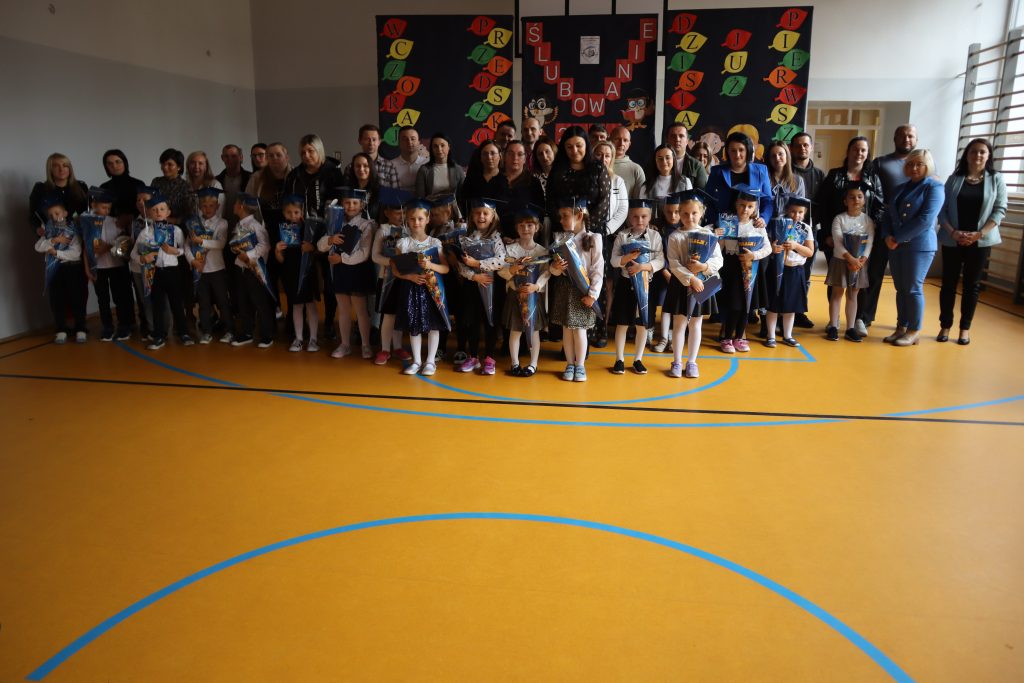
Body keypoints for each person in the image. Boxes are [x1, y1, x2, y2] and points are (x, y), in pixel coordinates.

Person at [545, 126, 611, 346]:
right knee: (565, 281)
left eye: (579, 145)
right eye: (569, 146)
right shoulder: (558, 170)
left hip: (589, 234)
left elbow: (603, 202)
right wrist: (565, 227)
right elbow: (550, 201)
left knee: (591, 278)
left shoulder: (597, 168)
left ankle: (591, 335)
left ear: (587, 146)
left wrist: (585, 227)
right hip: (563, 233)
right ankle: (565, 336)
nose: (575, 150)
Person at [937, 138, 1007, 345]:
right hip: (953, 239)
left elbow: (1000, 209)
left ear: (988, 155)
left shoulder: (996, 179)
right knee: (948, 284)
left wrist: (979, 234)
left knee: (972, 286)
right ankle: (945, 326)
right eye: (973, 151)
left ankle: (964, 329)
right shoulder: (954, 179)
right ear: (966, 155)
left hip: (980, 241)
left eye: (982, 152)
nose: (978, 155)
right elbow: (942, 209)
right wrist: (952, 232)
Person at [814, 136, 884, 324]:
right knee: (837, 281)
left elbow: (880, 207)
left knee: (858, 281)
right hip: (836, 237)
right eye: (855, 149)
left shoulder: (873, 178)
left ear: (867, 153)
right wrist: (827, 234)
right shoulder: (834, 175)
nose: (859, 153)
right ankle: (834, 321)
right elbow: (822, 206)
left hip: (862, 240)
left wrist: (870, 230)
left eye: (863, 150)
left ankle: (858, 320)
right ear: (848, 151)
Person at [880, 149, 943, 347]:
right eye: (910, 164)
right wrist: (887, 236)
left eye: (919, 164)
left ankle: (914, 331)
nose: (914, 168)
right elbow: (888, 214)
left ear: (927, 166)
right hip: (895, 244)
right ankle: (901, 327)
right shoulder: (900, 188)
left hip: (919, 246)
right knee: (900, 289)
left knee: (913, 289)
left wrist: (898, 238)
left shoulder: (934, 187)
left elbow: (925, 220)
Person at [858, 126, 916, 335]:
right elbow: (871, 194)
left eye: (910, 136)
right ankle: (865, 317)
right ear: (894, 138)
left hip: (912, 231)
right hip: (885, 228)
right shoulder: (881, 163)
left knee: (908, 281)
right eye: (902, 135)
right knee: (874, 274)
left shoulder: (922, 163)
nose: (906, 139)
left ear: (916, 139)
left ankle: (906, 322)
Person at [284, 134, 344, 338]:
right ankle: (297, 322)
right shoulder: (294, 176)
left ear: (319, 151)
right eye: (303, 152)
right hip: (301, 233)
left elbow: (340, 203)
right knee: (300, 277)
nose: (307, 155)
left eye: (311, 151)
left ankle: (329, 322)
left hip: (327, 233)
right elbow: (287, 202)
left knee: (329, 281)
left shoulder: (333, 173)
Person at [664, 189, 722, 378]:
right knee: (679, 324)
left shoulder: (708, 234)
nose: (690, 217)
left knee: (696, 324)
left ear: (702, 212)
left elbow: (718, 260)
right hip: (682, 284)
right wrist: (691, 279)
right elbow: (673, 263)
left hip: (702, 284)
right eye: (685, 213)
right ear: (679, 214)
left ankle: (692, 362)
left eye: (694, 213)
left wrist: (704, 267)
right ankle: (677, 362)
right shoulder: (675, 236)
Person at [548, 197, 603, 382]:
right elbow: (554, 271)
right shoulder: (561, 240)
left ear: (579, 216)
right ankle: (569, 363)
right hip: (565, 289)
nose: (561, 220)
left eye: (565, 216)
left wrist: (592, 294)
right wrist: (556, 267)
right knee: (566, 330)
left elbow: (597, 269)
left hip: (583, 292)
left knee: (579, 330)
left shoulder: (594, 238)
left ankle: (580, 365)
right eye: (560, 217)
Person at [393, 199, 449, 375]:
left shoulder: (435, 243)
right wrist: (408, 276)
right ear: (407, 220)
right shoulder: (403, 243)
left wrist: (430, 265)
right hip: (411, 289)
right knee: (414, 325)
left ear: (427, 219)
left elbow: (445, 268)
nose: (416, 222)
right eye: (412, 219)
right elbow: (395, 269)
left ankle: (430, 361)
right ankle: (417, 361)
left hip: (432, 289)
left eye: (420, 218)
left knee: (434, 325)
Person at [319, 188, 376, 359]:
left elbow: (364, 253)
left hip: (357, 270)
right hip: (340, 271)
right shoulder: (335, 222)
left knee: (361, 311)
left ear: (362, 205)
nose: (351, 206)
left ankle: (366, 345)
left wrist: (342, 259)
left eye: (355, 203)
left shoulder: (366, 225)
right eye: (347, 202)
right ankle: (345, 344)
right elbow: (320, 246)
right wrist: (330, 240)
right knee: (343, 310)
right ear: (342, 204)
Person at [609, 198, 664, 375]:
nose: (639, 220)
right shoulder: (622, 236)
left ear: (649, 217)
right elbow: (613, 260)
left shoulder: (655, 236)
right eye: (635, 216)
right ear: (628, 218)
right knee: (622, 323)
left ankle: (638, 359)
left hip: (646, 285)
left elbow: (660, 260)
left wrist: (643, 267)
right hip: (626, 284)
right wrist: (625, 259)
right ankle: (619, 359)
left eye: (643, 216)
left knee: (642, 325)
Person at [714, 184, 772, 353]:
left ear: (755, 208)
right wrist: (717, 236)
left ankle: (739, 337)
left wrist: (753, 256)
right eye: (742, 205)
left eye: (750, 206)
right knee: (734, 305)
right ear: (736, 204)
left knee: (746, 306)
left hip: (750, 269)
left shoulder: (757, 226)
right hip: (731, 269)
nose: (745, 209)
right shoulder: (727, 223)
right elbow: (720, 248)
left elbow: (767, 248)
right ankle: (726, 338)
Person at [132, 194, 191, 349]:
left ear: (168, 212)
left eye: (162, 209)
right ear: (150, 213)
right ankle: (159, 336)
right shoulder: (145, 233)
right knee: (157, 305)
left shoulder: (176, 231)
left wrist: (174, 251)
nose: (158, 212)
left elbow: (184, 249)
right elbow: (133, 254)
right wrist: (143, 258)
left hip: (173, 271)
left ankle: (184, 333)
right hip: (154, 272)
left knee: (177, 303)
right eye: (155, 209)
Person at [457, 198, 507, 375]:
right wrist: (474, 275)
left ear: (493, 216)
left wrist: (478, 264)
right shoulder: (467, 238)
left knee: (490, 320)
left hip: (491, 285)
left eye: (485, 213)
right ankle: (473, 356)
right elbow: (461, 264)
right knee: (472, 320)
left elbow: (501, 261)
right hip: (473, 284)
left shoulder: (496, 238)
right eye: (477, 213)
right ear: (472, 216)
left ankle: (490, 357)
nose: (481, 216)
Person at [498, 205, 549, 377]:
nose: (525, 229)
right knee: (515, 331)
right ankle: (515, 363)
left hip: (533, 296)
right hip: (515, 295)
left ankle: (533, 364)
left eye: (529, 225)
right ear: (516, 228)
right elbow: (502, 271)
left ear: (537, 227)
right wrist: (513, 269)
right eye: (521, 225)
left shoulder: (541, 251)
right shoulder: (510, 249)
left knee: (534, 331)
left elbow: (546, 273)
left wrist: (536, 286)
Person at [824, 183, 874, 342]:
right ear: (845, 201)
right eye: (851, 197)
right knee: (837, 293)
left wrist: (862, 260)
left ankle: (850, 328)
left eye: (859, 197)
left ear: (864, 200)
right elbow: (838, 243)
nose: (856, 200)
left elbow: (869, 242)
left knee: (853, 295)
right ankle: (833, 326)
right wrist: (850, 258)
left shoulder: (868, 221)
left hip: (859, 263)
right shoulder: (839, 219)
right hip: (841, 261)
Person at [35, 195, 87, 343]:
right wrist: (54, 240)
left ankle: (80, 328)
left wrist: (56, 253)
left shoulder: (73, 230)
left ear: (65, 213)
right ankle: (61, 329)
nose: (54, 217)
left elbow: (75, 253)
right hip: (56, 271)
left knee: (77, 299)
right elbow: (38, 246)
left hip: (72, 269)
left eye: (57, 213)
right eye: (51, 215)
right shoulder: (49, 231)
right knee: (57, 300)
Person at [763, 196, 814, 347]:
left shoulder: (806, 229)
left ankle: (787, 335)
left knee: (790, 307)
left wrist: (796, 246)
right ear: (787, 210)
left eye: (800, 212)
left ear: (805, 213)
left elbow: (810, 252)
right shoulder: (776, 224)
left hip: (795, 271)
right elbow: (767, 245)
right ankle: (771, 336)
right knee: (773, 305)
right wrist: (773, 249)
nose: (796, 215)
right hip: (777, 269)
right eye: (793, 211)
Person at [86, 186, 134, 341]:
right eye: (103, 207)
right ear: (93, 205)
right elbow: (85, 248)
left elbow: (123, 245)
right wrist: (87, 269)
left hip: (117, 266)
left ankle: (124, 326)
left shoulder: (116, 223)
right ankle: (107, 327)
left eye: (108, 208)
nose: (106, 210)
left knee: (120, 297)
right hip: (98, 268)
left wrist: (108, 247)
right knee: (103, 299)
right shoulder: (87, 223)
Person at [185, 187, 232, 344]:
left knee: (222, 301)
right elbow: (186, 245)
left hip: (217, 269)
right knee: (204, 303)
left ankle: (229, 330)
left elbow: (220, 243)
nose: (207, 209)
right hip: (200, 271)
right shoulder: (193, 223)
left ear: (217, 206)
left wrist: (201, 241)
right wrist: (192, 261)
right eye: (204, 206)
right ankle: (206, 331)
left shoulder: (222, 223)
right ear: (199, 206)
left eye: (211, 206)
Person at [371, 188, 412, 365]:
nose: (400, 216)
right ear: (387, 213)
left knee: (399, 314)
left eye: (403, 213)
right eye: (396, 213)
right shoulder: (383, 231)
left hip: (404, 279)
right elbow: (375, 256)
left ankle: (398, 346)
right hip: (387, 278)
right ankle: (385, 349)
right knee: (388, 315)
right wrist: (392, 262)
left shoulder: (409, 230)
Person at [228, 194, 275, 348]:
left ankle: (267, 335)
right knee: (243, 301)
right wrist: (236, 249)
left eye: (235, 203)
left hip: (254, 269)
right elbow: (236, 242)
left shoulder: (256, 226)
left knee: (259, 302)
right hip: (241, 268)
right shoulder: (239, 225)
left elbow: (265, 246)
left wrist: (248, 255)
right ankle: (247, 332)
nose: (233, 206)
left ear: (241, 206)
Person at [275, 195, 320, 352]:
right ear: (284, 213)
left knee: (310, 305)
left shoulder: (309, 228)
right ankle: (299, 338)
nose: (293, 216)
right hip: (291, 273)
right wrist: (277, 251)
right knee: (296, 305)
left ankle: (313, 339)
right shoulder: (283, 230)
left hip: (307, 273)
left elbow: (319, 251)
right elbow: (281, 260)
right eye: (289, 212)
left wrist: (311, 248)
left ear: (301, 212)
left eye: (296, 212)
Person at [788, 132, 824, 329]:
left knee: (805, 273)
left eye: (806, 145)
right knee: (784, 271)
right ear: (792, 148)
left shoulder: (819, 175)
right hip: (786, 229)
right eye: (798, 145)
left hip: (809, 231)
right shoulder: (787, 171)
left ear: (811, 147)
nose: (802, 148)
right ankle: (779, 310)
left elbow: (824, 203)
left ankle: (799, 310)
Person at [705, 131, 774, 227]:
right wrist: (716, 223)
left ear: (748, 151)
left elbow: (767, 200)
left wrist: (763, 218)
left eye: (741, 150)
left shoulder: (761, 170)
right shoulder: (717, 172)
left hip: (751, 227)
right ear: (727, 152)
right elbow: (708, 201)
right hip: (723, 228)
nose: (737, 155)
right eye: (733, 150)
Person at [650, 191, 684, 352]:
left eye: (677, 212)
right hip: (664, 274)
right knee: (665, 306)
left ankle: (673, 338)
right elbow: (659, 252)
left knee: (677, 308)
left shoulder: (685, 229)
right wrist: (665, 271)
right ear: (664, 211)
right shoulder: (660, 230)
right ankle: (663, 338)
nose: (673, 216)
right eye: (669, 212)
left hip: (681, 274)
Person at [30, 153, 88, 235]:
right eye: (56, 166)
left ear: (69, 168)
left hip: (80, 236)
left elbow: (88, 212)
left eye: (65, 165)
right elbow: (33, 215)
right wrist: (38, 229)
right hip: (53, 237)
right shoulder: (40, 189)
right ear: (50, 169)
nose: (61, 169)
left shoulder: (81, 186)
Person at [500, 140, 546, 239]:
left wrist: (524, 238)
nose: (515, 158)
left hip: (526, 239)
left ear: (525, 158)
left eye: (520, 154)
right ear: (504, 156)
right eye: (511, 153)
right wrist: (500, 237)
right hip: (497, 238)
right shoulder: (495, 181)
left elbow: (539, 215)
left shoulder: (533, 183)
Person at [99, 149, 145, 229]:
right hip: (109, 228)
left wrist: (130, 217)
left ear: (125, 163)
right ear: (106, 167)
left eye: (118, 162)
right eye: (110, 163)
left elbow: (146, 209)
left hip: (135, 227)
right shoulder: (103, 187)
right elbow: (99, 211)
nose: (114, 166)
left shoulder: (139, 184)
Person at [415, 131, 465, 201]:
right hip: (430, 207)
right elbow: (420, 198)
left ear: (449, 147)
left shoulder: (458, 169)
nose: (439, 149)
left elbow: (463, 195)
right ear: (432, 149)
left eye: (442, 145)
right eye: (435, 146)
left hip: (452, 207)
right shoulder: (424, 170)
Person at [345, 124, 399, 189]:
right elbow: (346, 192)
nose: (371, 143)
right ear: (360, 141)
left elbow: (395, 193)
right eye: (367, 139)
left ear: (379, 142)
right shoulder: (350, 167)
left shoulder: (390, 166)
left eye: (374, 139)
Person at [458, 140, 503, 216]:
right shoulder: (471, 179)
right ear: (480, 157)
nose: (489, 157)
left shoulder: (506, 179)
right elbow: (464, 204)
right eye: (485, 154)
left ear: (500, 156)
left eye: (492, 153)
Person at [593, 140, 629, 236]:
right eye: (599, 154)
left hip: (607, 232)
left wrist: (607, 229)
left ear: (611, 159)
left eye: (607, 156)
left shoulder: (618, 181)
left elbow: (623, 209)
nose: (603, 159)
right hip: (586, 230)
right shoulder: (585, 179)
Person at [150, 148, 192, 225]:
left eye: (170, 164)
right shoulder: (156, 182)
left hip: (177, 228)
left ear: (179, 167)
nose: (165, 167)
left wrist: (171, 220)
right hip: (155, 225)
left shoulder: (186, 186)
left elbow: (190, 215)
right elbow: (150, 205)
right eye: (163, 163)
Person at [664, 122, 709, 189]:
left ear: (687, 141)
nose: (677, 139)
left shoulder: (697, 167)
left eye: (681, 136)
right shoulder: (656, 162)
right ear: (667, 140)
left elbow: (702, 194)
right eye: (673, 136)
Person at [216, 144, 252, 225]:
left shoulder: (251, 178)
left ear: (241, 157)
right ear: (222, 158)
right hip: (222, 227)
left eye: (233, 156)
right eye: (226, 156)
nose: (230, 159)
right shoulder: (216, 181)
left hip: (245, 227)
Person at [610, 126, 646, 198]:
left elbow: (639, 201)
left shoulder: (636, 170)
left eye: (625, 140)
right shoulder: (601, 165)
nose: (621, 143)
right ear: (609, 140)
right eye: (617, 139)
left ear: (629, 144)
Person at [344, 152, 381, 219]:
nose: (361, 169)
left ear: (371, 168)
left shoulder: (379, 190)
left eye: (365, 166)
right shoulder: (347, 189)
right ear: (353, 168)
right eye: (358, 166)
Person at [393, 126, 428, 192]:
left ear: (419, 142)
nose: (409, 142)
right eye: (404, 139)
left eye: (413, 139)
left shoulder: (427, 163)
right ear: (399, 143)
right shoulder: (390, 165)